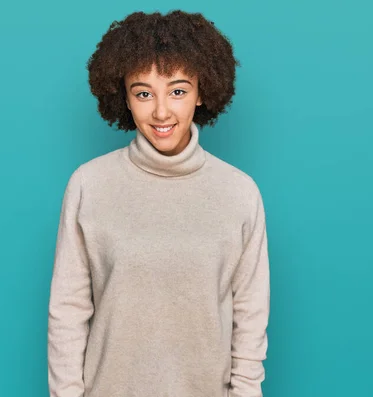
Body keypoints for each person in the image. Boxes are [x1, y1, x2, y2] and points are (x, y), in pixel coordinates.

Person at [47, 9, 270, 397]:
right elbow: (67, 313)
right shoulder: (89, 184)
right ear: (125, 98)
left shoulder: (239, 193)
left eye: (178, 91)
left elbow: (250, 321)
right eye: (144, 93)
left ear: (202, 92)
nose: (161, 111)